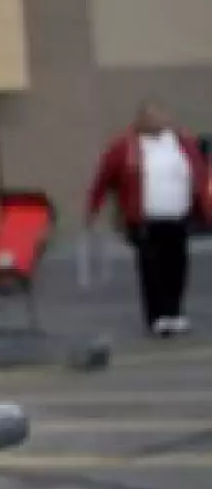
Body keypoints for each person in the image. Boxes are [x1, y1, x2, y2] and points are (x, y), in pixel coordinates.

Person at [86, 99, 212, 337]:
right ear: (140, 120)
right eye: (151, 117)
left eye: (161, 116)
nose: (157, 121)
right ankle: (157, 316)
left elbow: (200, 172)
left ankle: (174, 312)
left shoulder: (182, 142)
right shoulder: (125, 146)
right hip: (145, 219)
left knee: (177, 265)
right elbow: (104, 177)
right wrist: (93, 208)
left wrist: (204, 204)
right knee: (151, 267)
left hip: (177, 216)